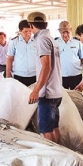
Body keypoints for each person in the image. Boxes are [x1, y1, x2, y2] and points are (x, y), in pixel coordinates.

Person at [27, 12, 62, 144]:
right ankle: (60, 154)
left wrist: (36, 90)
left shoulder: (42, 40)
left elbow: (46, 67)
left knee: (46, 130)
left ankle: (53, 159)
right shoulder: (51, 39)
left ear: (31, 25)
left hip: (47, 94)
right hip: (56, 90)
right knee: (54, 127)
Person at [56, 21, 83, 89]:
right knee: (63, 98)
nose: (65, 35)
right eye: (63, 33)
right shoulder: (55, 43)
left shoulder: (77, 42)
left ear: (70, 30)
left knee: (77, 97)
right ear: (59, 32)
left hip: (76, 75)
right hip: (61, 76)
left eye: (67, 32)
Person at [6, 20, 37, 87]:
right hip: (19, 75)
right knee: (20, 96)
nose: (28, 34)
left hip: (34, 74)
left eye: (30, 31)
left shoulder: (36, 41)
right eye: (25, 31)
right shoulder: (14, 42)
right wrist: (8, 75)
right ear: (20, 31)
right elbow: (10, 58)